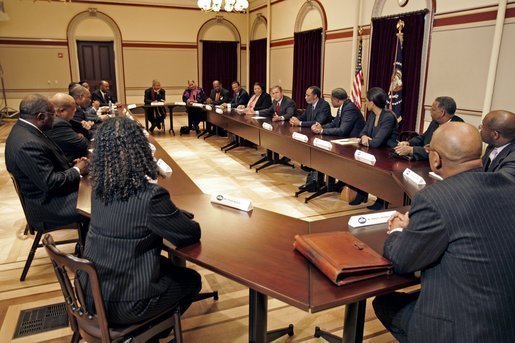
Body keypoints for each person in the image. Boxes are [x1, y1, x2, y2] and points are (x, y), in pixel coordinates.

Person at [373, 122, 515, 343]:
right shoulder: (508, 186)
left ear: (436, 159)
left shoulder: (434, 198)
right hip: (506, 323)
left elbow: (402, 260)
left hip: (461, 332)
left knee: (384, 302)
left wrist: (398, 231)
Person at [81, 117, 202, 325]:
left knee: (164, 265)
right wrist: (176, 215)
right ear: (141, 150)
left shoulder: (98, 191)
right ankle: (152, 331)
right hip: (127, 304)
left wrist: (168, 213)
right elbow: (189, 234)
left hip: (89, 292)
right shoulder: (150, 196)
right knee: (191, 279)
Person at [5, 94, 89, 230]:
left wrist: (72, 166)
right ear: (40, 117)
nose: (55, 118)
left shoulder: (27, 129)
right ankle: (91, 247)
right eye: (53, 114)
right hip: (48, 206)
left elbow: (48, 164)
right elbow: (50, 183)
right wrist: (77, 169)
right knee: (98, 203)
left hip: (48, 195)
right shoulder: (28, 143)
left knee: (95, 190)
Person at [350, 87, 398, 210]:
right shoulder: (372, 115)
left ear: (372, 102)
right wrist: (364, 137)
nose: (365, 103)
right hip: (374, 151)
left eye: (366, 100)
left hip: (387, 154)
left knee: (375, 171)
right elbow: (362, 133)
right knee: (359, 164)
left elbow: (377, 142)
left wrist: (366, 139)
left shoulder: (388, 116)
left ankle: (381, 200)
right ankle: (362, 193)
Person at [394, 96, 463, 160]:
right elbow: (423, 137)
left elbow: (439, 152)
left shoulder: (457, 128)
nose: (430, 112)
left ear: (442, 113)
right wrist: (409, 143)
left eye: (433, 109)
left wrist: (411, 150)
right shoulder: (435, 122)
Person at [46, 93, 89, 162]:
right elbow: (83, 144)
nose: (75, 110)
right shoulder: (58, 124)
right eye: (73, 108)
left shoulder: (52, 119)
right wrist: (80, 136)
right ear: (62, 111)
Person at [480, 110, 515, 176]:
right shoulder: (492, 145)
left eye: (483, 126)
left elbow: (500, 183)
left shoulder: (513, 159)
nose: (480, 128)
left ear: (495, 134)